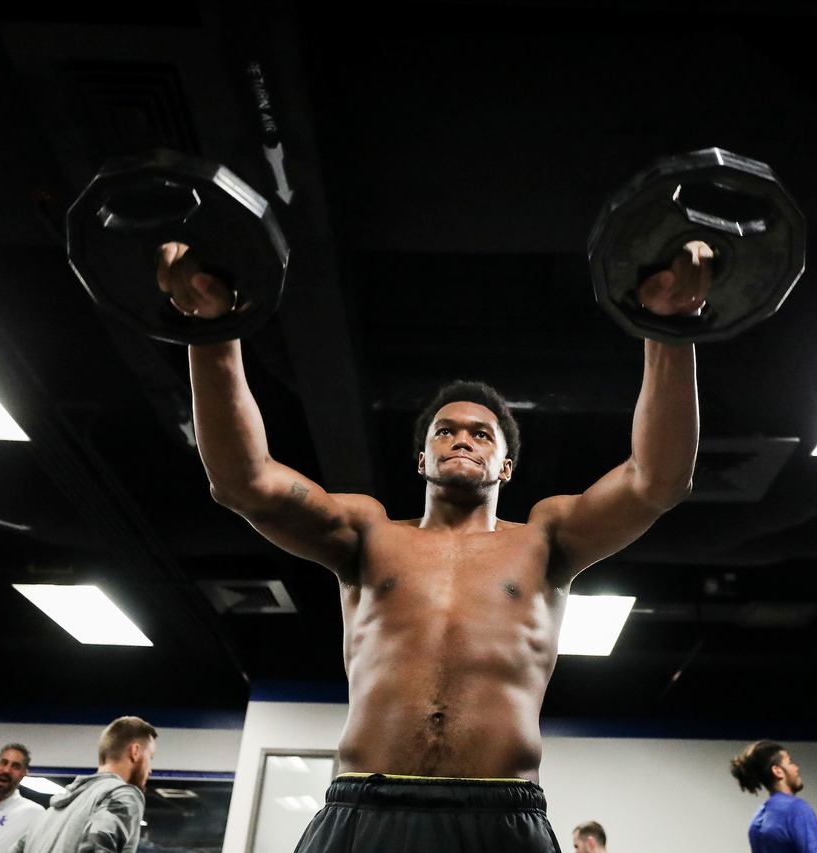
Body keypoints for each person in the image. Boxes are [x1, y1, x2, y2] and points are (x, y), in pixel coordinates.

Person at [158, 236, 707, 853]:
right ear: (422, 459)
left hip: (501, 816)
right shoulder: (366, 533)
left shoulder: (548, 538)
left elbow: (658, 480)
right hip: (364, 808)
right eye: (446, 431)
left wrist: (671, 327)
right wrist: (210, 331)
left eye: (482, 434)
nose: (462, 439)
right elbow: (243, 482)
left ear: (505, 467)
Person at [8, 716, 157, 853]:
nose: (149, 769)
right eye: (150, 757)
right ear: (135, 751)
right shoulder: (122, 795)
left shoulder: (47, 817)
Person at [728, 741, 817, 853]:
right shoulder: (797, 809)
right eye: (790, 763)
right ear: (777, 771)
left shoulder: (757, 820)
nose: (796, 768)